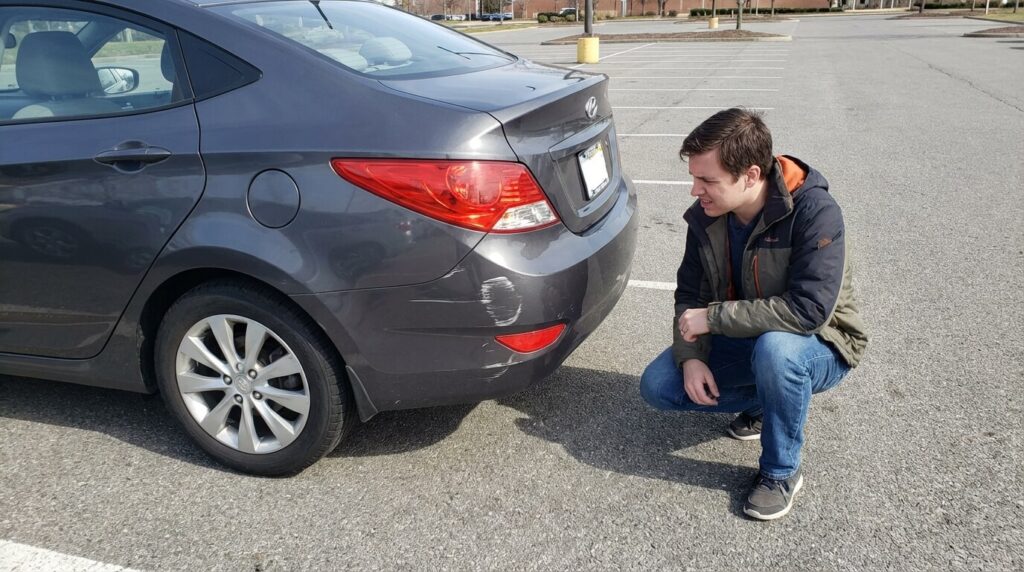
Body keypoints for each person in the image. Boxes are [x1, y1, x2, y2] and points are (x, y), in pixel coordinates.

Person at [639, 108, 868, 521]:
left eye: (707, 180)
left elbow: (809, 310)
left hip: (822, 343)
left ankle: (781, 472)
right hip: (750, 336)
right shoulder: (707, 219)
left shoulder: (815, 211)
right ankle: (771, 401)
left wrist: (713, 319)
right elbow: (690, 292)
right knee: (660, 386)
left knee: (777, 354)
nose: (695, 190)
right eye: (694, 178)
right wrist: (690, 358)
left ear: (750, 174)